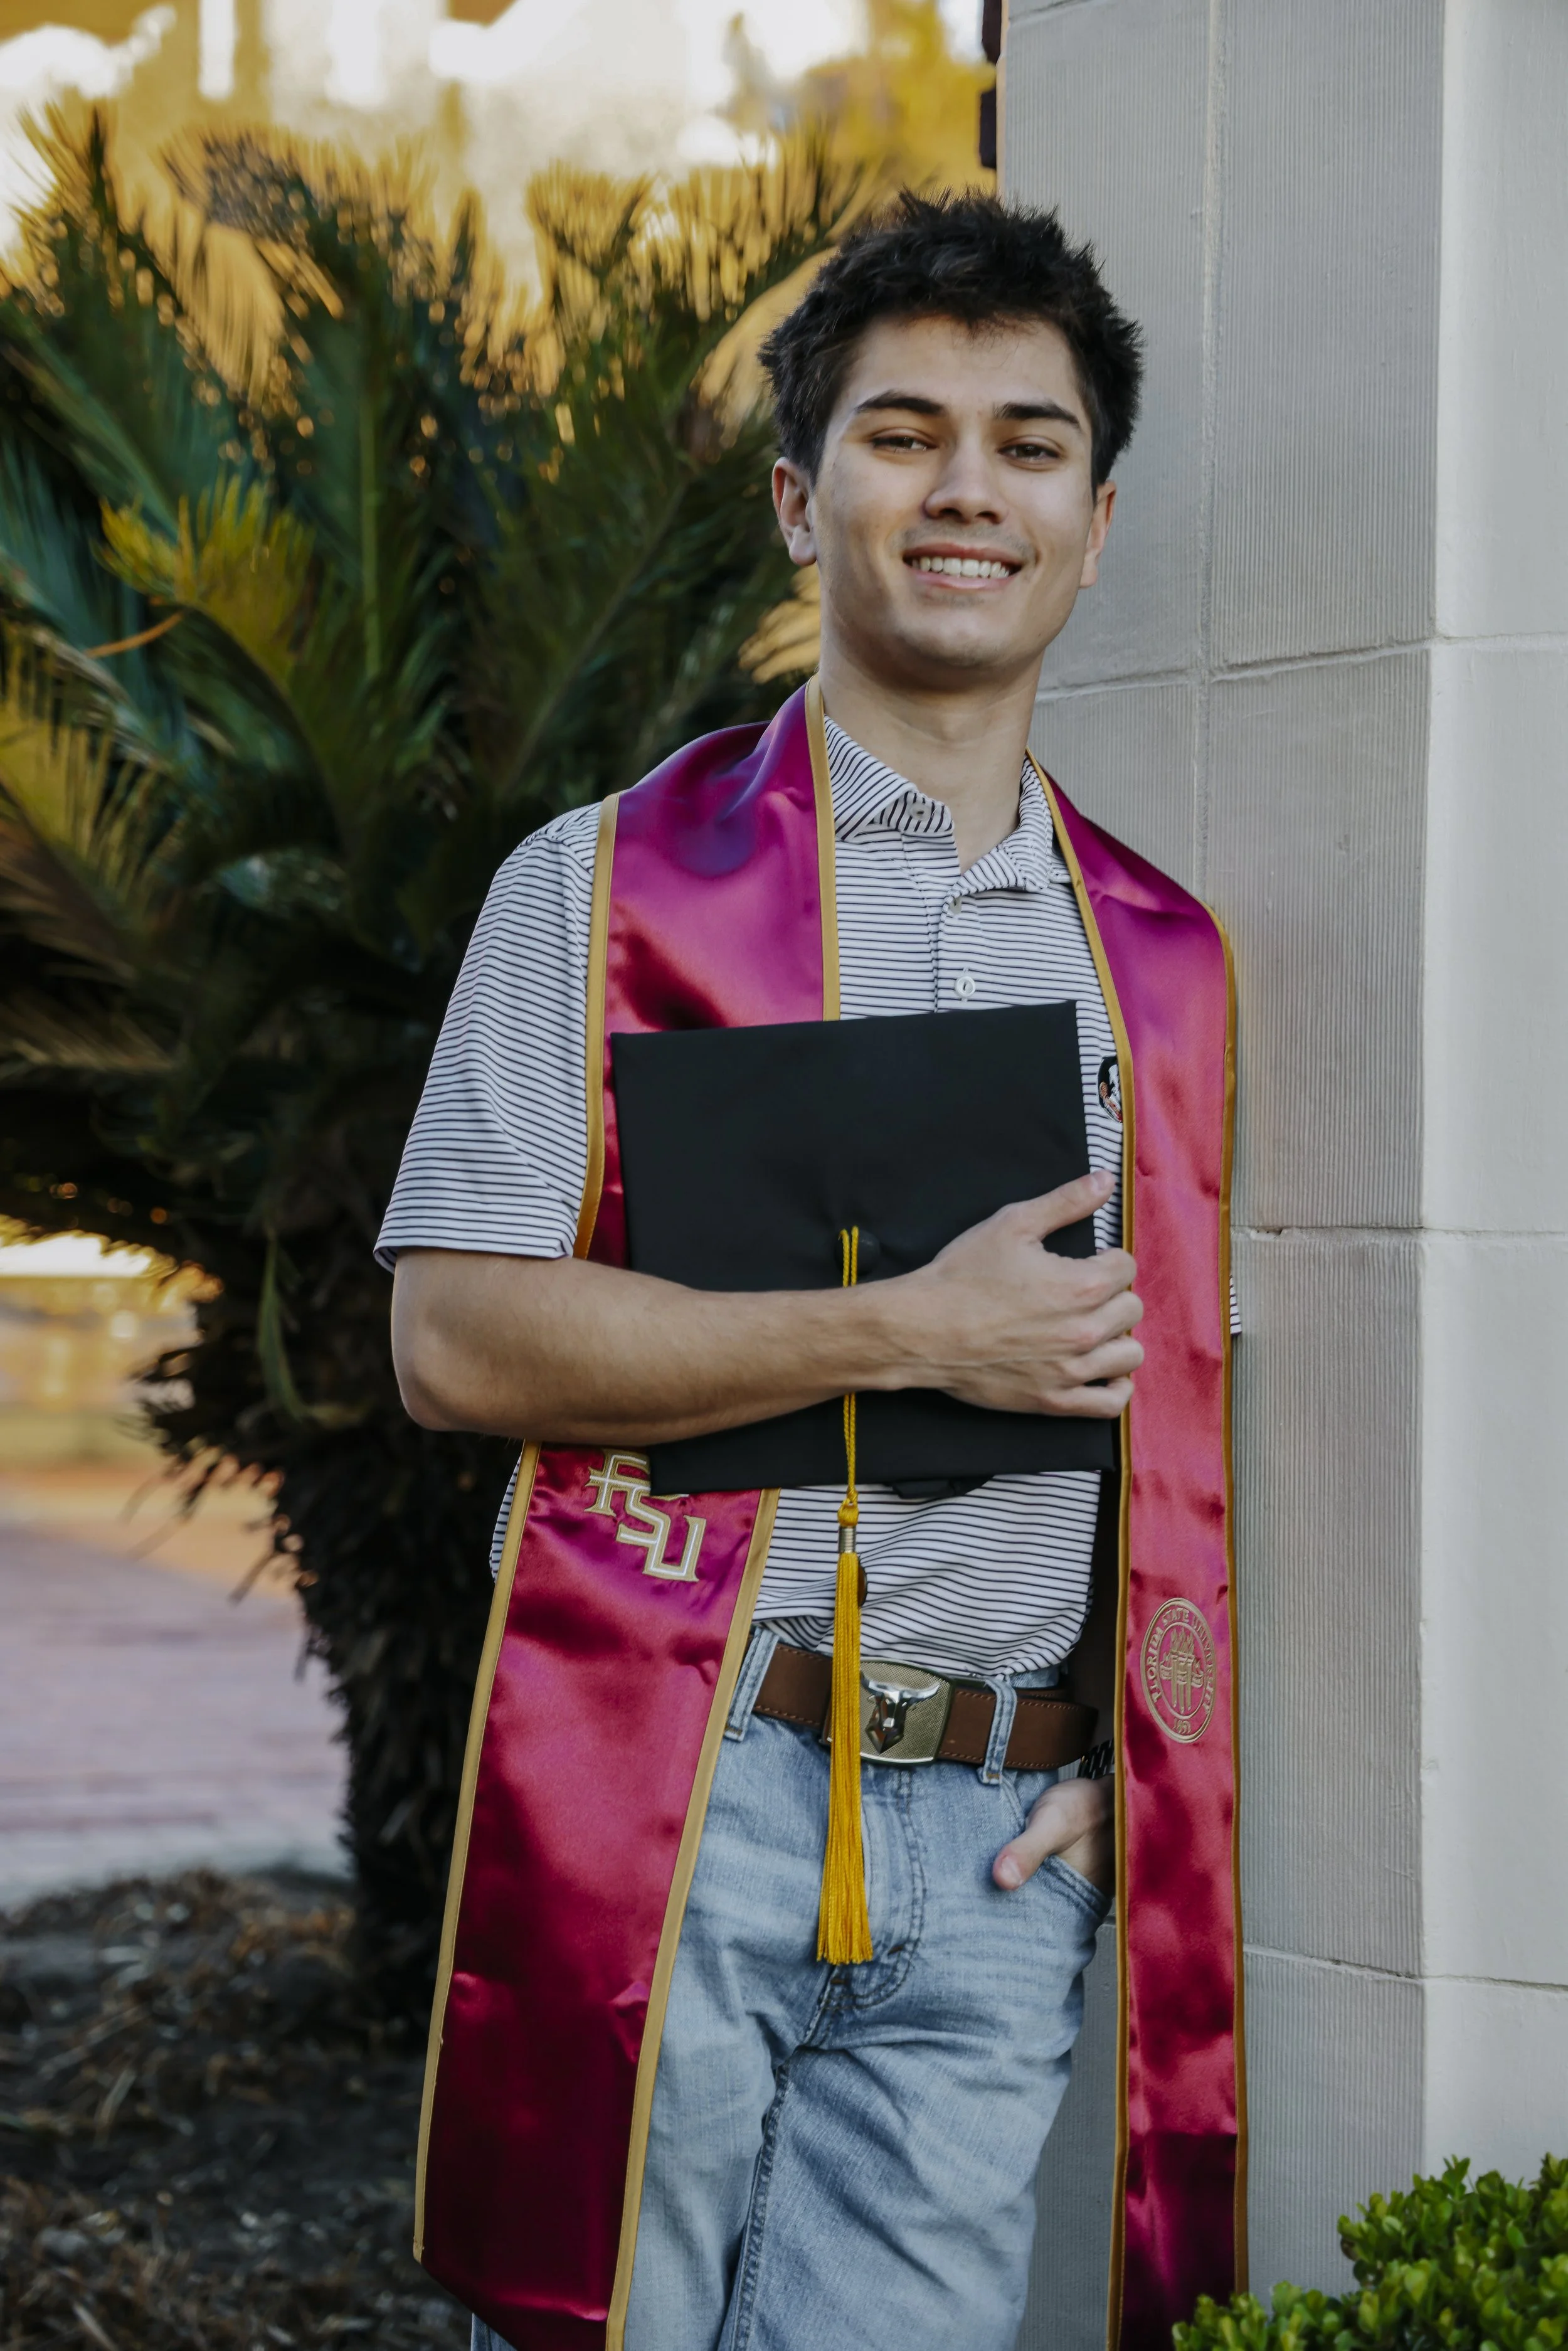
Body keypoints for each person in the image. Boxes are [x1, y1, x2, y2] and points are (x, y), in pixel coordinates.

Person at [379, 193, 1243, 2351]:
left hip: (994, 1838)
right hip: (688, 1787)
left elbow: (1203, 1428)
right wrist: (899, 1329)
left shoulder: (1165, 963)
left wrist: (1113, 1766)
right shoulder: (597, 889)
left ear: (1094, 520)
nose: (967, 489)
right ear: (799, 495)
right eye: (902, 434)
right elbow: (452, 1336)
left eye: (1028, 445)